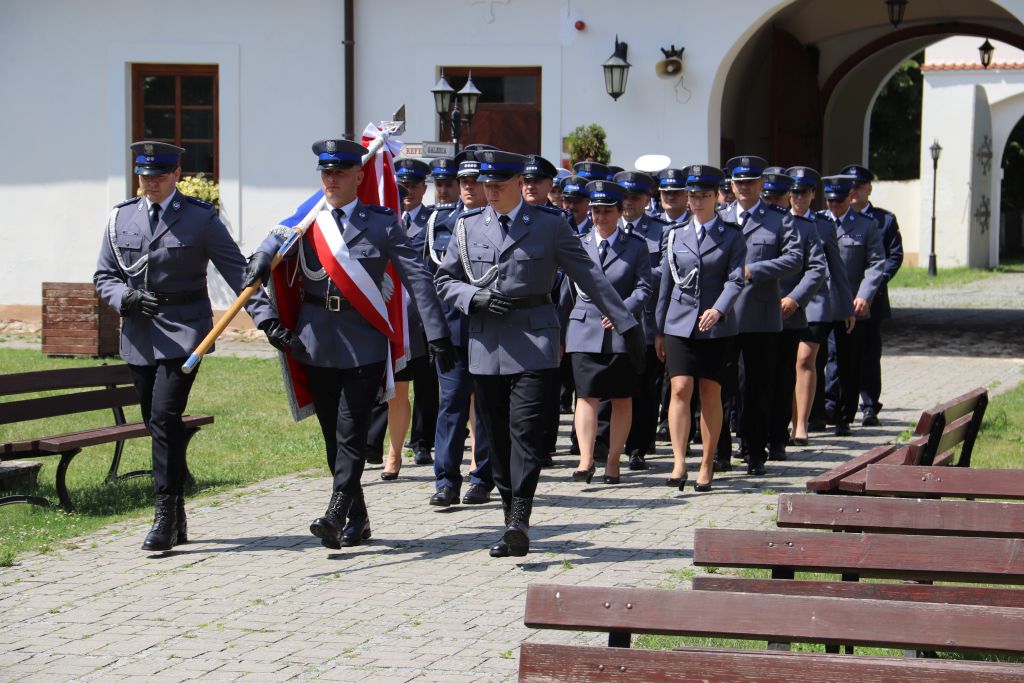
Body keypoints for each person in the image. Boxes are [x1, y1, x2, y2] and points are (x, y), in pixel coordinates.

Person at [244, 138, 455, 550]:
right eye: (326, 172)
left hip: (363, 340)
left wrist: (437, 332)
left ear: (359, 177)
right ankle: (358, 519)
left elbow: (417, 278)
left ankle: (336, 509)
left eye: (340, 172)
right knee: (331, 437)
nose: (331, 179)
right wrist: (261, 262)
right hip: (315, 340)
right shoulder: (308, 220)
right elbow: (268, 249)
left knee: (351, 431)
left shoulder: (381, 223)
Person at [435, 149, 645, 557]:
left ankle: (520, 518)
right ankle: (508, 510)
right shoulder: (466, 227)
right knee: (495, 438)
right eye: (485, 185)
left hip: (534, 342)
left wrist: (627, 323)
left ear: (518, 183)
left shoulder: (549, 226)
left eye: (498, 185)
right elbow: (445, 280)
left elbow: (590, 275)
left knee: (525, 433)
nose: (490, 192)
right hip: (486, 342)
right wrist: (473, 298)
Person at [94, 141, 283, 551]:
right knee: (156, 420)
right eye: (145, 177)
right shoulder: (121, 217)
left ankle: (163, 514)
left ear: (177, 173)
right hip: (140, 334)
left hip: (184, 332)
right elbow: (104, 275)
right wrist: (122, 299)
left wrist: (266, 318)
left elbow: (237, 272)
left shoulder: (200, 219)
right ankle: (177, 509)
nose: (152, 184)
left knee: (164, 416)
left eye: (160, 176)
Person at [655, 165, 745, 492]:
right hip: (679, 324)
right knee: (679, 389)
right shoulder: (675, 233)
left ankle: (706, 462)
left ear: (716, 197)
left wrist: (719, 309)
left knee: (711, 392)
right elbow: (666, 284)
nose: (698, 201)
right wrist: (659, 329)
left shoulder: (732, 235)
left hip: (716, 328)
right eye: (693, 196)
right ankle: (679, 460)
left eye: (705, 195)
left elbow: (736, 279)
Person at [562, 181, 653, 484]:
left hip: (620, 332)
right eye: (596, 211)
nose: (600, 218)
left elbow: (644, 287)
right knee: (586, 396)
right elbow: (566, 291)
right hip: (584, 328)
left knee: (621, 398)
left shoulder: (636, 245)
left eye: (606, 212)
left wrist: (622, 312)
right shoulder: (578, 242)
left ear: (619, 211)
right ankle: (586, 459)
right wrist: (561, 332)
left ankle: (613, 460)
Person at [718, 156, 803, 475]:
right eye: (739, 182)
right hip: (724, 316)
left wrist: (755, 270)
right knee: (722, 387)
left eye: (750, 182)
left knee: (757, 386)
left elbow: (795, 259)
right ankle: (721, 451)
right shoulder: (720, 216)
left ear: (761, 185)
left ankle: (755, 450)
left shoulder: (779, 219)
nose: (743, 187)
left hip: (761, 316)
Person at [424, 150, 495, 507]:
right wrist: (434, 330)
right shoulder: (437, 223)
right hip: (451, 331)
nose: (468, 187)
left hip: (489, 330)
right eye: (463, 181)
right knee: (450, 403)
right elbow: (429, 281)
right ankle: (445, 481)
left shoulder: (498, 223)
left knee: (485, 406)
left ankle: (483, 477)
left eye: (475, 180)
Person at [786, 166, 855, 445]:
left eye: (804, 192)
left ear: (813, 194)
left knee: (805, 359)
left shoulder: (824, 225)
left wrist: (847, 305)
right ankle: (787, 420)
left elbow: (836, 267)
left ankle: (801, 423)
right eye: (795, 192)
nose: (799, 197)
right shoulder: (780, 221)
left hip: (816, 301)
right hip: (784, 299)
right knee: (787, 362)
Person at [761, 168, 826, 461]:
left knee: (782, 378)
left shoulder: (804, 227)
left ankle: (777, 438)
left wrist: (795, 299)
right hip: (752, 314)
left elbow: (816, 269)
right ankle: (751, 438)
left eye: (778, 196)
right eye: (768, 196)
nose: (773, 202)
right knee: (749, 379)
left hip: (787, 314)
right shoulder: (750, 223)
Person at [611, 170, 671, 471]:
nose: (629, 202)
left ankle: (639, 447)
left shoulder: (660, 230)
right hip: (608, 319)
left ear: (648, 199)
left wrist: (638, 275)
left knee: (646, 387)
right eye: (625, 196)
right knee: (612, 384)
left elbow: (665, 269)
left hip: (645, 318)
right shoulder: (608, 223)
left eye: (635, 196)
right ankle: (607, 445)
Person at [818, 174, 886, 436]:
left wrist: (864, 295)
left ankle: (845, 415)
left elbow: (876, 263)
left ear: (849, 198)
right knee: (816, 360)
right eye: (830, 201)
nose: (834, 206)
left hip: (849, 305)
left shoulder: (865, 225)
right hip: (819, 302)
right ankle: (820, 411)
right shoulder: (818, 222)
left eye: (839, 201)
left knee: (848, 360)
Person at [842, 163, 904, 426]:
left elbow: (894, 256)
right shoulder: (834, 218)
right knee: (840, 355)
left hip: (872, 300)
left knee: (868, 354)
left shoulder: (884, 220)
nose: (853, 191)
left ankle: (869, 406)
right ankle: (838, 405)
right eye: (849, 187)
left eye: (858, 186)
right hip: (842, 298)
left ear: (869, 188)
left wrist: (876, 282)